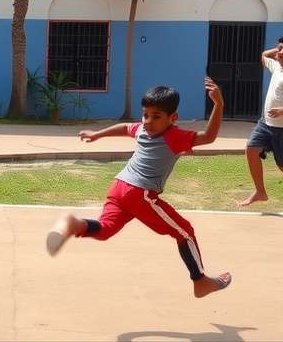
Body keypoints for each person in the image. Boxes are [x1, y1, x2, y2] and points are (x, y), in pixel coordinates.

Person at [46, 79, 232, 299]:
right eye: (145, 115)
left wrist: (98, 134)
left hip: (118, 187)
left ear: (173, 118)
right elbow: (209, 137)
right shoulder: (173, 135)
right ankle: (201, 282)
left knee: (105, 230)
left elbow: (125, 128)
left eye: (155, 116)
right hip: (139, 193)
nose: (147, 121)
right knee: (185, 232)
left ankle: (73, 224)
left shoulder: (147, 132)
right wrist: (218, 105)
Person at [239, 34, 283, 206]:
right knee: (251, 149)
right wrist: (279, 49)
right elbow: (264, 55)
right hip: (265, 123)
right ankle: (260, 192)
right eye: (280, 48)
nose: (281, 52)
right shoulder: (276, 66)